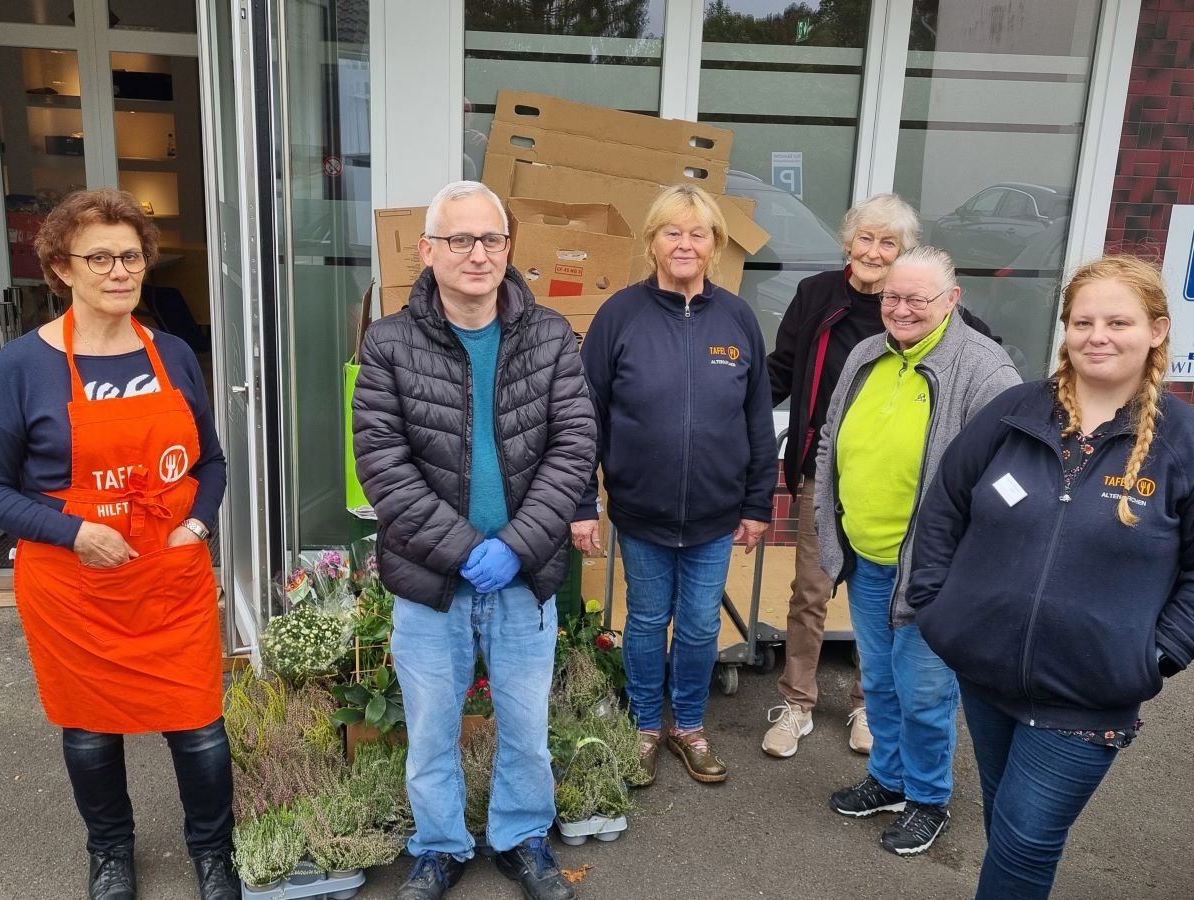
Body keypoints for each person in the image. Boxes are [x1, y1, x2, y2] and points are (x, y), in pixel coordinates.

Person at [908, 255, 1194, 897]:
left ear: (1156, 330)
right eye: (1082, 320)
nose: (1098, 334)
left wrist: (1157, 653)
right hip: (985, 675)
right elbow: (943, 508)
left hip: (1087, 696)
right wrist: (937, 607)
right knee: (1007, 828)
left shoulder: (1183, 444)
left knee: (1026, 843)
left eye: (1118, 321)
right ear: (1064, 329)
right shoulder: (1014, 413)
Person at [352, 181, 596, 900]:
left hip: (524, 578)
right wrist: (462, 550)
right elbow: (382, 464)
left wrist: (518, 545)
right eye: (459, 239)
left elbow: (575, 444)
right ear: (427, 251)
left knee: (526, 726)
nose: (477, 253)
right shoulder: (389, 342)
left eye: (490, 239)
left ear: (508, 248)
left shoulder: (548, 334)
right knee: (430, 729)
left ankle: (522, 839)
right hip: (431, 581)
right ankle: (439, 846)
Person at [0, 189, 234, 900]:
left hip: (170, 574)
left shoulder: (174, 355)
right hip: (72, 583)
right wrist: (73, 531)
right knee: (91, 731)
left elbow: (210, 463)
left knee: (197, 728)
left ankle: (213, 853)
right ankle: (110, 854)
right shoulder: (20, 366)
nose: (118, 271)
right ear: (62, 269)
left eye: (130, 256)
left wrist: (198, 525)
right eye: (98, 257)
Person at [814, 245, 1020, 856]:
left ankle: (929, 799)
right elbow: (830, 437)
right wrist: (832, 525)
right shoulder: (865, 354)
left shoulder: (986, 371)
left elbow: (1009, 477)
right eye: (891, 298)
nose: (900, 310)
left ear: (952, 300)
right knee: (877, 680)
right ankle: (889, 780)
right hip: (867, 559)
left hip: (936, 573)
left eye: (917, 299)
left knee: (926, 691)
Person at [570, 183, 777, 786]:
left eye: (699, 233)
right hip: (641, 512)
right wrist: (585, 500)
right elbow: (587, 418)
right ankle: (643, 728)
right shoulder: (620, 316)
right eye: (672, 232)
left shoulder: (737, 318)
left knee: (699, 627)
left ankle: (688, 726)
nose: (685, 244)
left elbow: (757, 419)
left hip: (715, 515)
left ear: (715, 246)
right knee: (643, 620)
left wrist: (758, 502)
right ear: (652, 242)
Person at [763, 193, 920, 759]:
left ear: (904, 252)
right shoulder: (816, 295)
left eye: (889, 242)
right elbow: (781, 368)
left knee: (878, 594)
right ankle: (797, 702)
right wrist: (728, 406)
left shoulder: (912, 303)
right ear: (847, 242)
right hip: (820, 470)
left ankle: (867, 703)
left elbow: (972, 353)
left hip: (888, 476)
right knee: (811, 588)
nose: (874, 252)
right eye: (866, 238)